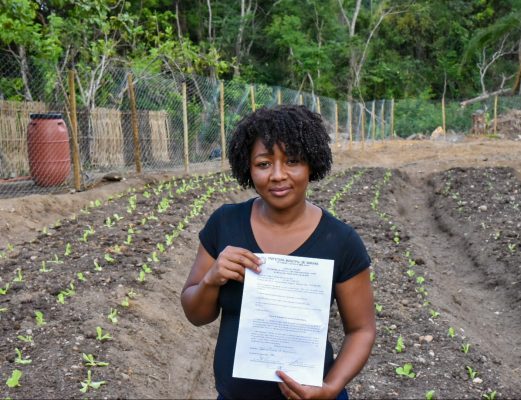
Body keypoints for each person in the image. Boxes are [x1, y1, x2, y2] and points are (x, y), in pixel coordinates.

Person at [181, 105, 375, 400]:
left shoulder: (340, 241)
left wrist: (330, 388)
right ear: (247, 167)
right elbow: (196, 315)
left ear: (312, 164)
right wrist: (211, 279)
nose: (278, 175)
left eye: (293, 161)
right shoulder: (225, 224)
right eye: (263, 164)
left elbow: (361, 330)